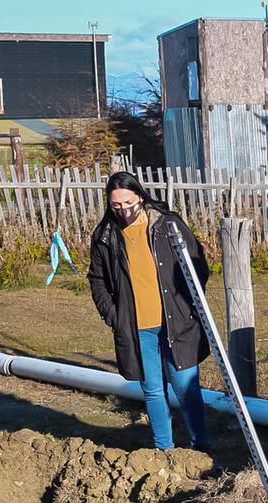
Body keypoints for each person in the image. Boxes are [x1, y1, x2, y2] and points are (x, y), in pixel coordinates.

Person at [88, 172, 212, 453]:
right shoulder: (106, 236)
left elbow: (197, 265)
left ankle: (201, 449)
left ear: (141, 198)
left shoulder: (167, 225)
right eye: (115, 205)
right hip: (137, 327)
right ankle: (163, 450)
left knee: (186, 388)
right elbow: (97, 279)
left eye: (128, 203)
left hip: (175, 323)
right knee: (154, 391)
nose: (123, 211)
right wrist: (113, 314)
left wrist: (189, 305)